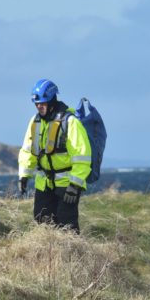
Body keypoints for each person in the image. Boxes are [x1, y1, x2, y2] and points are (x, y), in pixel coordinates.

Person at [17, 79, 91, 233]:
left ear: (51, 100)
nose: (39, 107)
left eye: (42, 103)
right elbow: (27, 150)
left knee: (67, 226)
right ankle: (49, 256)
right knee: (42, 221)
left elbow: (82, 156)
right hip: (44, 183)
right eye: (37, 104)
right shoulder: (35, 121)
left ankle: (73, 255)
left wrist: (75, 185)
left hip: (67, 183)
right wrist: (24, 175)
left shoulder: (70, 122)